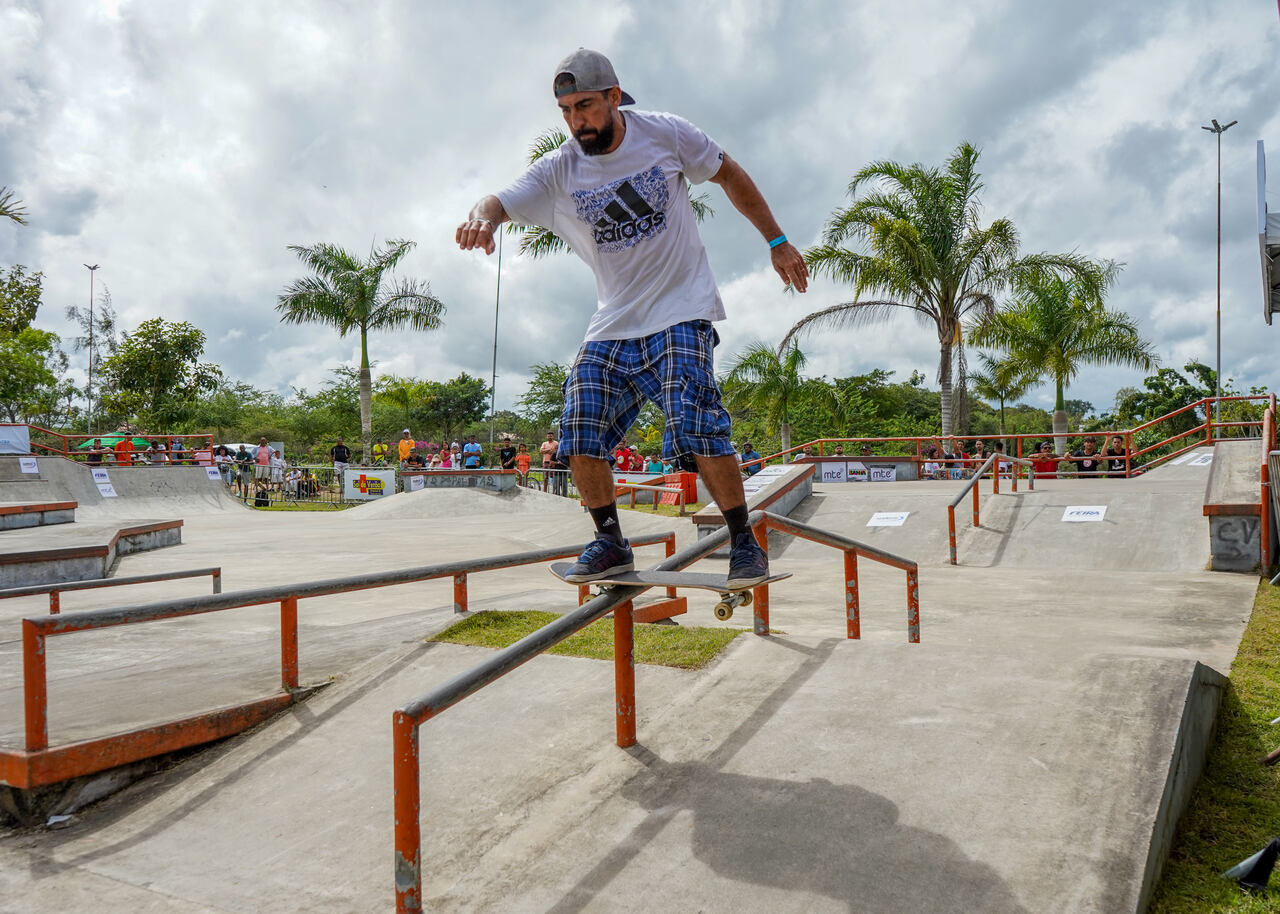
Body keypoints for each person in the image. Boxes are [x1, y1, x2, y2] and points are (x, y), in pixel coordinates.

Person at [457, 50, 807, 583]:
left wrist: (777, 241)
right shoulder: (560, 168)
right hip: (614, 323)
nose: (577, 122)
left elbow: (729, 173)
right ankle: (610, 542)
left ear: (615, 98)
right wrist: (480, 220)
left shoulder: (665, 134)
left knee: (695, 421)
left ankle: (742, 541)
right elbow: (498, 200)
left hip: (682, 309)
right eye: (566, 111)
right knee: (578, 426)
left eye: (586, 107)